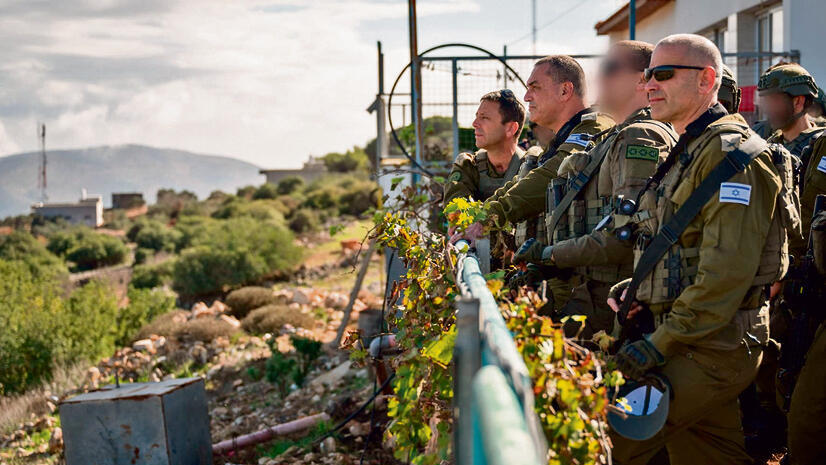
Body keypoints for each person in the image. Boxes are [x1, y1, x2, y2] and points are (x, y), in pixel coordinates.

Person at [606, 34, 787, 465]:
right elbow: (689, 245)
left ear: (707, 79)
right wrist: (642, 287)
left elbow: (725, 275)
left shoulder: (732, 156)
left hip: (711, 344)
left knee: (604, 442)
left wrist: (657, 345)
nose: (649, 84)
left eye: (663, 74)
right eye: (648, 74)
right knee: (708, 454)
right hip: (694, 335)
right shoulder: (693, 147)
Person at [511, 40, 677, 338]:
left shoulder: (639, 136)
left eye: (611, 68)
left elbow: (622, 237)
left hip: (609, 302)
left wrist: (549, 254)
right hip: (591, 292)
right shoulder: (615, 136)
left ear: (643, 79)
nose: (600, 77)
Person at [455, 55, 614, 311]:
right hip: (567, 275)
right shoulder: (562, 137)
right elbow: (525, 180)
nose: (527, 97)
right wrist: (479, 216)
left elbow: (551, 175)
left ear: (565, 90)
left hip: (594, 285)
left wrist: (486, 219)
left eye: (535, 87)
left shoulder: (594, 127)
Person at [443, 89, 527, 204]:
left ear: (511, 128)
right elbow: (457, 212)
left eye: (484, 117)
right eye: (477, 116)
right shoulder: (468, 167)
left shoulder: (532, 167)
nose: (474, 123)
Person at [759, 63, 824, 162]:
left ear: (798, 102)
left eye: (775, 100)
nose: (768, 108)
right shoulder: (765, 146)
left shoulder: (821, 147)